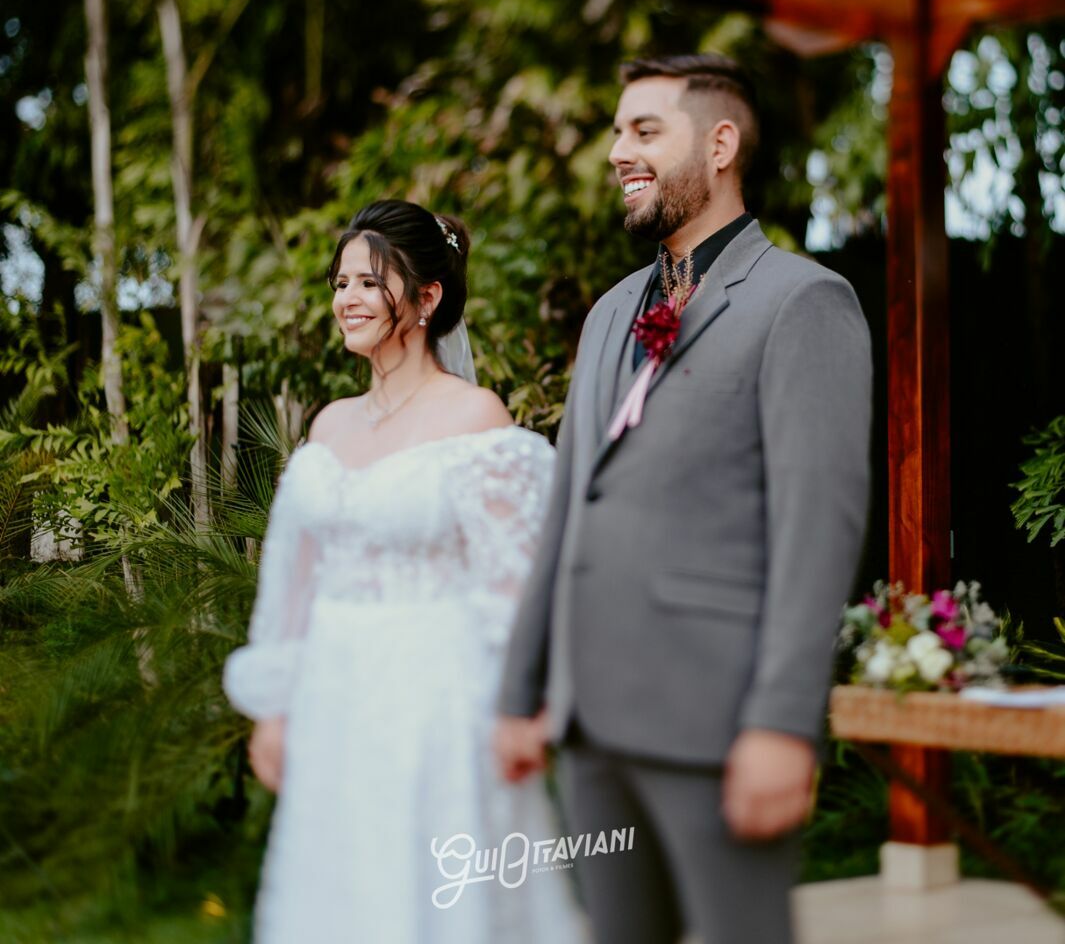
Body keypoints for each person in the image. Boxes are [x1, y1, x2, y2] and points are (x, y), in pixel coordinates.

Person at [494, 53, 873, 944]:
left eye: (644, 131)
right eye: (617, 131)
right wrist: (519, 691)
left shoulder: (803, 302)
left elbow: (818, 528)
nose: (617, 150)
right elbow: (567, 516)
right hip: (592, 729)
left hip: (716, 725)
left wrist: (782, 726)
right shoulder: (607, 314)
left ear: (721, 144)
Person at [223, 199, 588, 944]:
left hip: (439, 700)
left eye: (369, 282)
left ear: (427, 298)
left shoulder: (474, 419)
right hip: (334, 699)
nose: (347, 299)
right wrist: (274, 708)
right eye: (340, 283)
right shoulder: (328, 425)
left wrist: (524, 708)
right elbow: (294, 585)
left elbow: (519, 586)